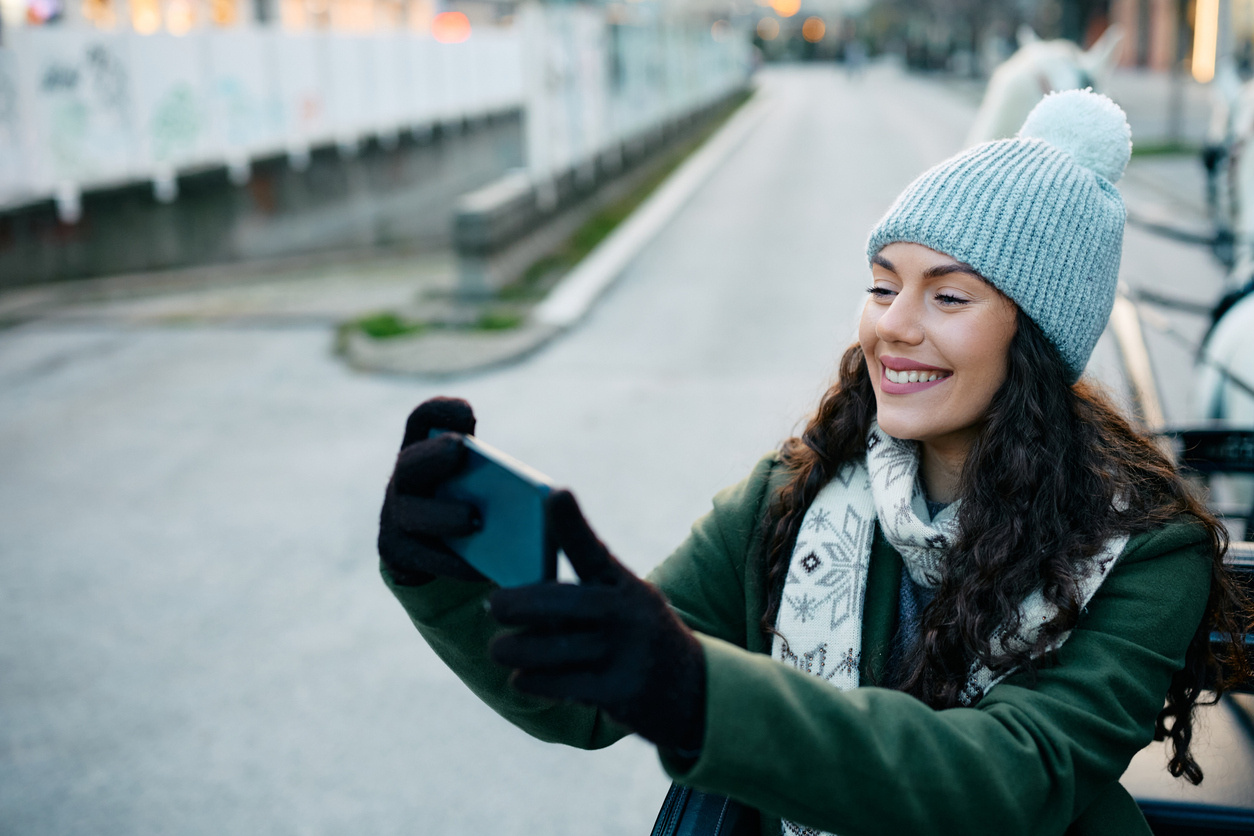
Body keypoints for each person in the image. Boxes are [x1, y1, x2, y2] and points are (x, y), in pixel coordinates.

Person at [375, 90, 1251, 835]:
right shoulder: (791, 497)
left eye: (947, 295)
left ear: (1036, 339)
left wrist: (699, 694)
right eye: (881, 284)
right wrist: (445, 578)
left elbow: (1013, 778)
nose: (892, 324)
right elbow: (588, 699)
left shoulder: (1145, 550)